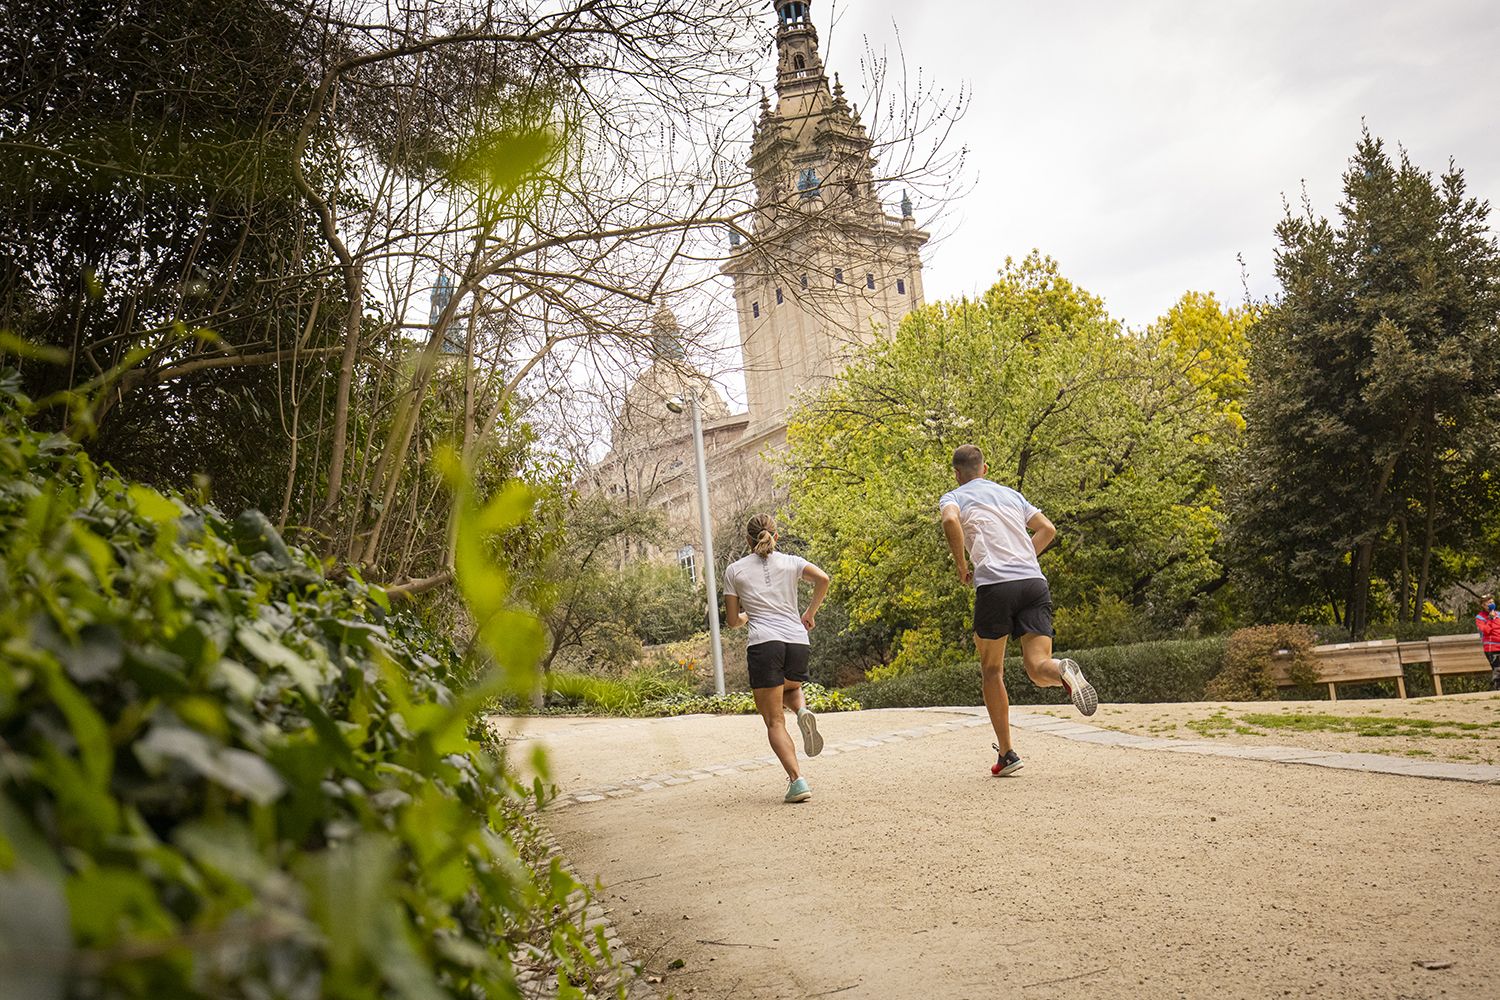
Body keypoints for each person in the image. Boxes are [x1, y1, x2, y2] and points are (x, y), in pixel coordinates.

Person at [939, 444, 1098, 777]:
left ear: (957, 473)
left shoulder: (953, 496)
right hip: (1032, 582)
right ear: (984, 469)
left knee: (992, 670)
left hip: (995, 585)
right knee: (1038, 668)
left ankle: (1008, 753)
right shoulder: (1011, 495)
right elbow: (1048, 529)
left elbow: (950, 521)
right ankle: (1063, 670)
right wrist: (1026, 558)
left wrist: (961, 565)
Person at [723, 513, 831, 803]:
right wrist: (809, 614)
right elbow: (823, 579)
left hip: (764, 644)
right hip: (797, 640)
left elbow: (733, 621)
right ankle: (802, 711)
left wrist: (749, 615)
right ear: (776, 536)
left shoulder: (735, 570)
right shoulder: (793, 562)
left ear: (747, 540)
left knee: (773, 721)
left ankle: (797, 781)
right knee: (791, 687)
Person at [1477, 594, 1500, 691]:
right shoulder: (1480, 618)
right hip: (1491, 648)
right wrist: (1490, 619)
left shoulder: (1499, 615)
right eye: (1488, 603)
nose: (1491, 604)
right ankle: (1496, 689)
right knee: (1498, 670)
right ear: (1483, 605)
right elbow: (1485, 630)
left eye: (1492, 602)